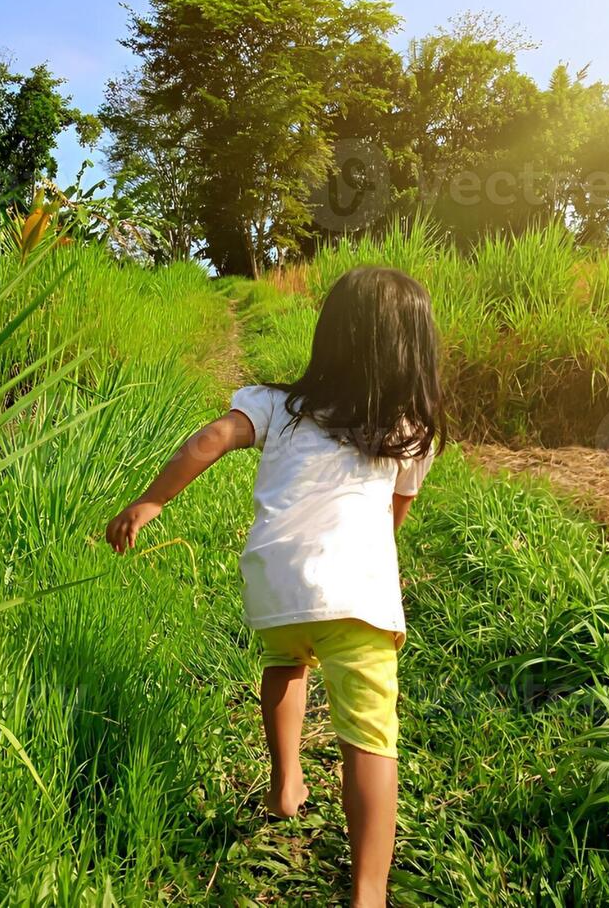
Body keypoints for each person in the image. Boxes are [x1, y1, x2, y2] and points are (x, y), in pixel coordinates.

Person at [106, 266, 444, 907]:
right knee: (370, 733)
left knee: (285, 660)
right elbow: (391, 521)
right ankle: (368, 894)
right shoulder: (408, 431)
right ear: (412, 352)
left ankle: (285, 785)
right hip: (358, 593)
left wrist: (150, 503)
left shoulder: (275, 403)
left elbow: (210, 439)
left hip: (274, 581)